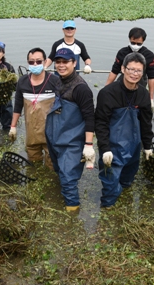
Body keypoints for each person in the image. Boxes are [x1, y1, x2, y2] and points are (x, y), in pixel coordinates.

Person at [95, 52, 154, 207]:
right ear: (122, 69)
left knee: (128, 180)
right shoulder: (107, 93)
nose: (134, 74)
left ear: (143, 73)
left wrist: (147, 146)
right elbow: (100, 123)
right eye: (131, 69)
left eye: (138, 71)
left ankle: (124, 205)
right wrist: (105, 148)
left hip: (133, 145)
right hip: (111, 147)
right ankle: (107, 212)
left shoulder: (143, 94)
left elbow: (146, 123)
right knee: (109, 185)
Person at [45, 48, 96, 212]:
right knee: (60, 171)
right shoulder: (59, 81)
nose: (61, 65)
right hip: (56, 138)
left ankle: (72, 216)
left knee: (68, 178)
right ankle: (65, 200)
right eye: (58, 62)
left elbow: (90, 117)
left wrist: (88, 144)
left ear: (74, 63)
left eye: (65, 62)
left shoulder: (81, 89)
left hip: (72, 141)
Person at [9, 48, 61, 168]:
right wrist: (13, 127)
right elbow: (17, 106)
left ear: (45, 62)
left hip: (51, 132)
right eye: (31, 62)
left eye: (38, 61)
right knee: (33, 164)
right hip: (32, 131)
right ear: (28, 63)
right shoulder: (22, 82)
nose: (35, 64)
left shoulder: (55, 81)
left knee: (52, 164)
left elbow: (63, 106)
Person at [105, 27, 154, 108]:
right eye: (133, 43)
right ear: (129, 39)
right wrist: (106, 89)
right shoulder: (122, 52)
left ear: (143, 41)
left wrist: (151, 98)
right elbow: (114, 71)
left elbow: (152, 77)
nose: (135, 46)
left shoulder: (149, 56)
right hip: (123, 80)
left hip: (140, 82)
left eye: (139, 44)